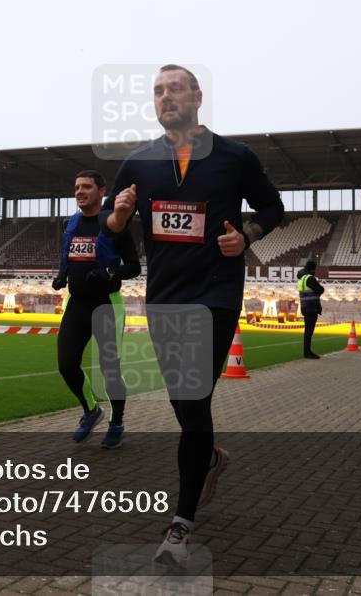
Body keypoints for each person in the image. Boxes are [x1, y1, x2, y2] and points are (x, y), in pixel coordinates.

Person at [100, 64, 284, 567]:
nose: (165, 97)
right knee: (187, 405)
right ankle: (210, 459)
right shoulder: (138, 163)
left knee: (192, 393)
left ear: (198, 97)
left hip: (217, 294)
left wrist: (245, 236)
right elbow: (112, 231)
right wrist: (117, 217)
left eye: (175, 88)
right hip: (164, 297)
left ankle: (180, 527)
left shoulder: (234, 156)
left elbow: (273, 208)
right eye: (157, 91)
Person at [52, 170, 141, 448]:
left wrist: (110, 272)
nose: (80, 191)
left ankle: (117, 422)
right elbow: (70, 255)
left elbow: (134, 267)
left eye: (87, 187)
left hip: (106, 304)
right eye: (77, 187)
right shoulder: (71, 224)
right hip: (76, 303)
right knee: (66, 364)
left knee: (109, 369)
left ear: (101, 192)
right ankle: (91, 411)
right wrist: (61, 275)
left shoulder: (115, 224)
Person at [298, 259, 325, 358]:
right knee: (309, 332)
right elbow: (320, 289)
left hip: (305, 307)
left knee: (307, 331)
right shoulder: (309, 278)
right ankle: (307, 352)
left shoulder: (302, 279)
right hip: (312, 307)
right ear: (312, 269)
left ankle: (307, 352)